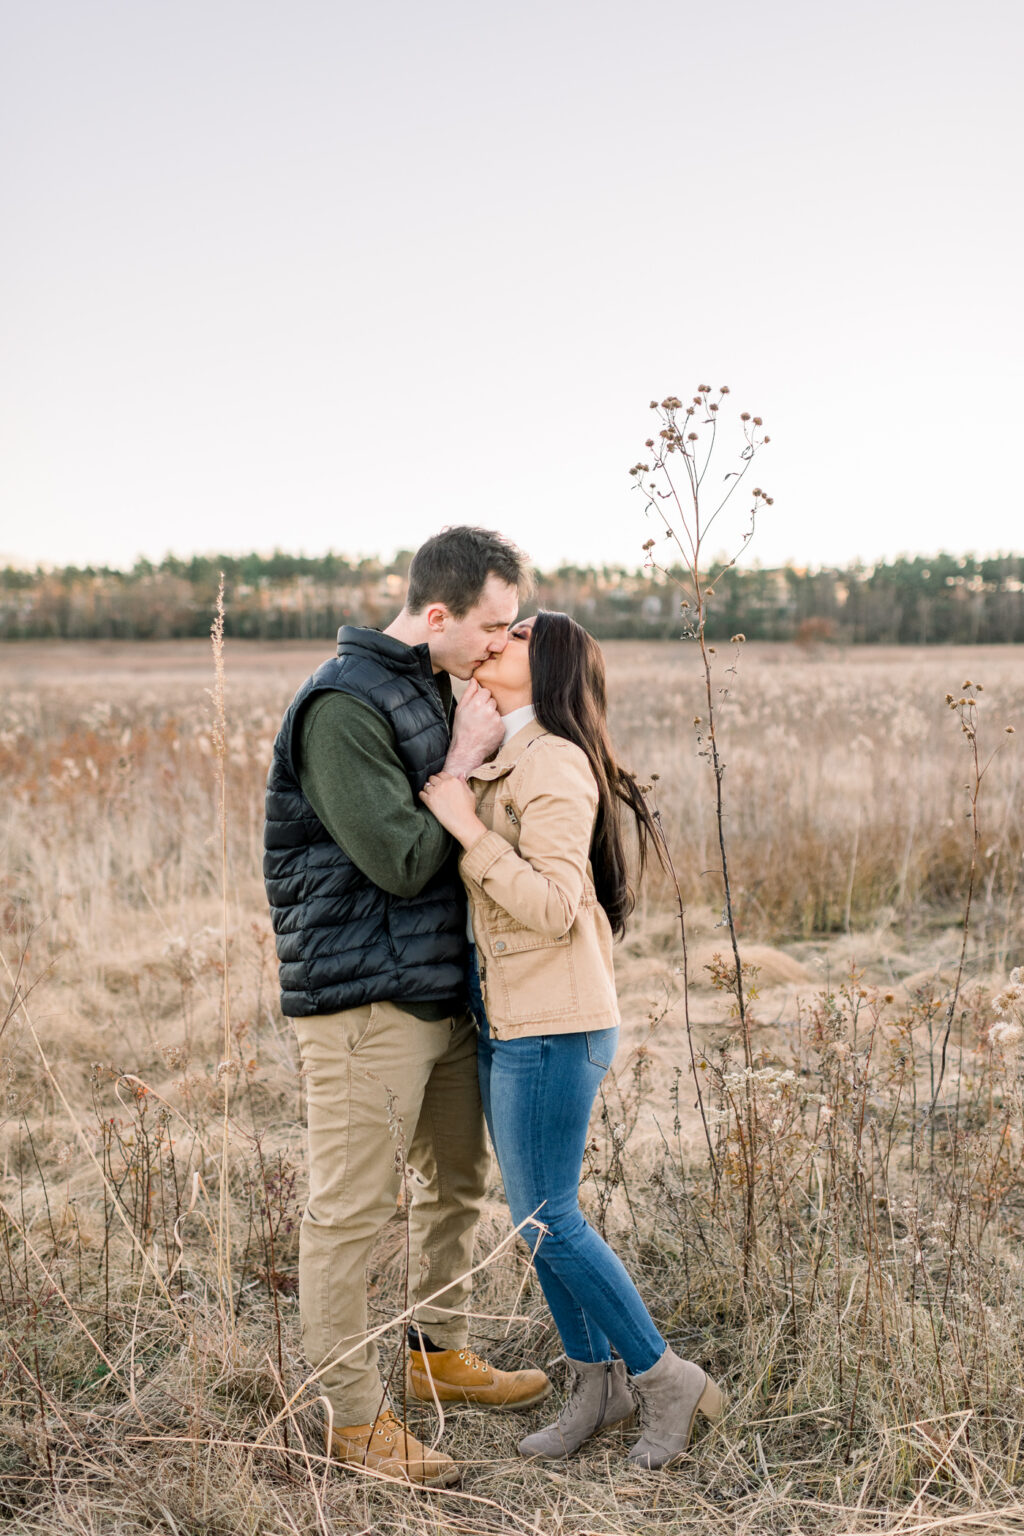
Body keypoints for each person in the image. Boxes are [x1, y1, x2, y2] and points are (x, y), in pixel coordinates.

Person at [263, 527, 551, 1489]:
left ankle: (438, 1358)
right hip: (360, 1004)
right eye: (492, 625)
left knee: (458, 1184)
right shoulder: (341, 705)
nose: (502, 644)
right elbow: (399, 860)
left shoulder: (431, 684)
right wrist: (466, 761)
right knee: (348, 1211)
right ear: (437, 616)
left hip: (440, 994)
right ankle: (350, 1417)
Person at [419, 610, 725, 1470]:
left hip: (555, 1024)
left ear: (545, 664)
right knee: (537, 1220)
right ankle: (599, 1386)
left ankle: (669, 1379)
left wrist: (467, 826)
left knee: (550, 1217)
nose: (493, 641)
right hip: (513, 1016)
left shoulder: (552, 761)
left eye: (513, 636)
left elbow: (555, 906)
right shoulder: (508, 752)